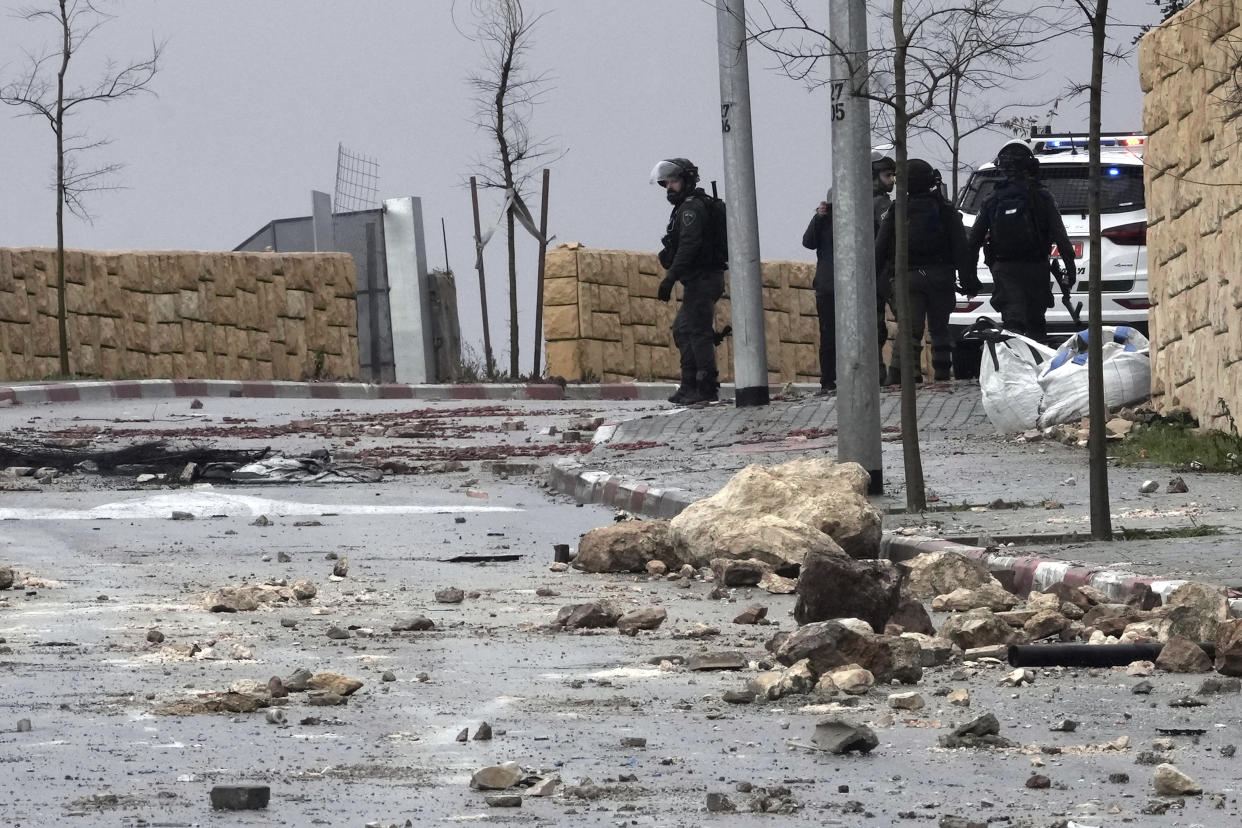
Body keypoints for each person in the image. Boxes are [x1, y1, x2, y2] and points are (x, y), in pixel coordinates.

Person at [875, 159, 977, 382]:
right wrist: (969, 281)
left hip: (908, 278)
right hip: (941, 276)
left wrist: (878, 279)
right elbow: (961, 248)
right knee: (940, 329)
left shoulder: (897, 209)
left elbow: (880, 248)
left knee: (911, 330)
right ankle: (942, 374)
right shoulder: (945, 209)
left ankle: (909, 378)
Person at [968, 140, 1075, 342]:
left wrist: (969, 280)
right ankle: (1039, 367)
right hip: (1037, 268)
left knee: (1012, 322)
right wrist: (1070, 270)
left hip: (1005, 269)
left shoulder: (991, 199)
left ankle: (1016, 365)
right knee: (1036, 321)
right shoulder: (1043, 197)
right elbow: (1061, 237)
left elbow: (973, 242)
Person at [651, 157, 727, 405]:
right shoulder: (686, 207)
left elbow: (689, 246)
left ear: (687, 180)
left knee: (698, 332)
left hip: (704, 278)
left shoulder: (692, 209)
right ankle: (689, 385)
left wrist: (669, 277)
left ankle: (705, 388)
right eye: (667, 183)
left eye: (673, 181)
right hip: (698, 279)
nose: (669, 187)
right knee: (684, 330)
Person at [802, 189, 836, 393]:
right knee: (828, 336)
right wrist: (818, 218)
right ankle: (828, 379)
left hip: (847, 285)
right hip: (828, 286)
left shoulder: (860, 215)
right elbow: (808, 242)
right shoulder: (823, 221)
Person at [872, 153, 897, 384]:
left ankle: (879, 375)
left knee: (875, 327)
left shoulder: (857, 202)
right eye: (887, 175)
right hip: (886, 273)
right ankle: (896, 373)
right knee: (907, 320)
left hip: (871, 274)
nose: (892, 180)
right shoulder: (881, 203)